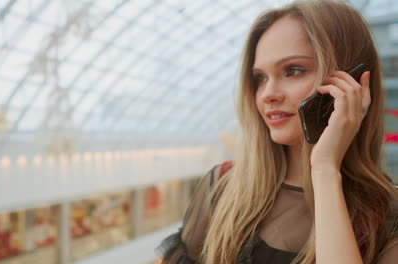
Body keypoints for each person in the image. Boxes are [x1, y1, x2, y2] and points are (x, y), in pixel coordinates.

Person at [156, 0, 398, 263]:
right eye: (260, 78)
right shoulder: (222, 188)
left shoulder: (388, 215)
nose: (268, 94)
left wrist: (325, 169)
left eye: (293, 70)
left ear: (352, 83)